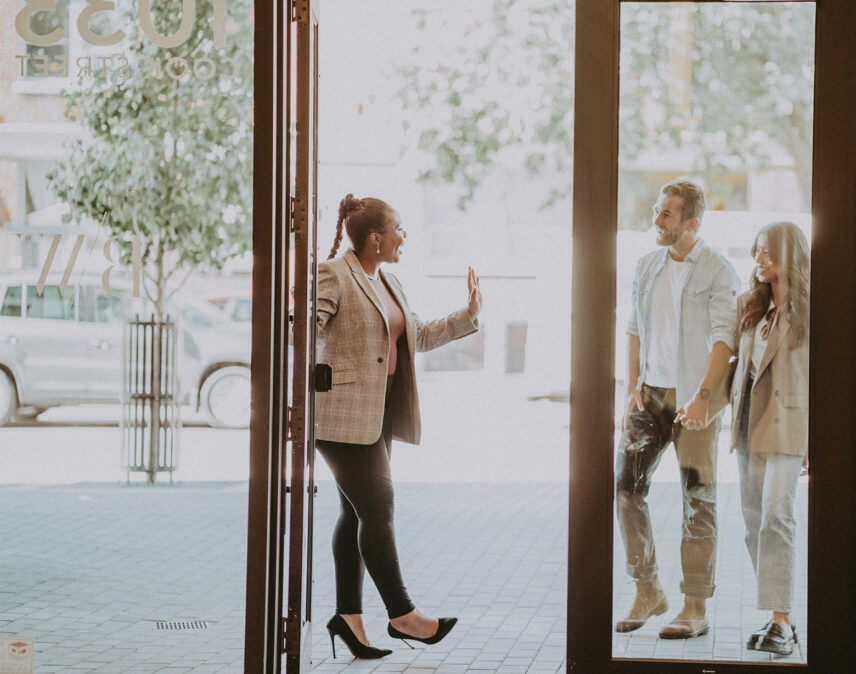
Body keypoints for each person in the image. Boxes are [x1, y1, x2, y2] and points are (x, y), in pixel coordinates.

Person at [315, 194, 483, 659]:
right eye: (399, 230)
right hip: (340, 416)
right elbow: (305, 330)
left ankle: (348, 619)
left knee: (356, 513)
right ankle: (402, 615)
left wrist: (468, 314)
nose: (403, 237)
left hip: (378, 412)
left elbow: (417, 336)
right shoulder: (334, 274)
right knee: (380, 507)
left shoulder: (388, 281)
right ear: (376, 238)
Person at [614, 179, 740, 639]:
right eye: (657, 210)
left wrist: (704, 397)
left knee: (698, 500)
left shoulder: (718, 270)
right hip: (650, 396)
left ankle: (695, 606)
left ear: (692, 222)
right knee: (625, 488)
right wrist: (632, 385)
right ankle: (647, 589)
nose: (657, 219)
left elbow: (725, 339)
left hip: (695, 399)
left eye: (667, 213)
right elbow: (634, 327)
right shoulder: (647, 265)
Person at [730, 222, 809, 656]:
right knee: (753, 522)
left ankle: (780, 619)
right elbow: (738, 369)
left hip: (788, 425)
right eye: (756, 251)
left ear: (790, 255)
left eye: (767, 252)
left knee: (777, 516)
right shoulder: (750, 306)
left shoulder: (811, 309)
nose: (758, 259)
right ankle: (781, 617)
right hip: (748, 424)